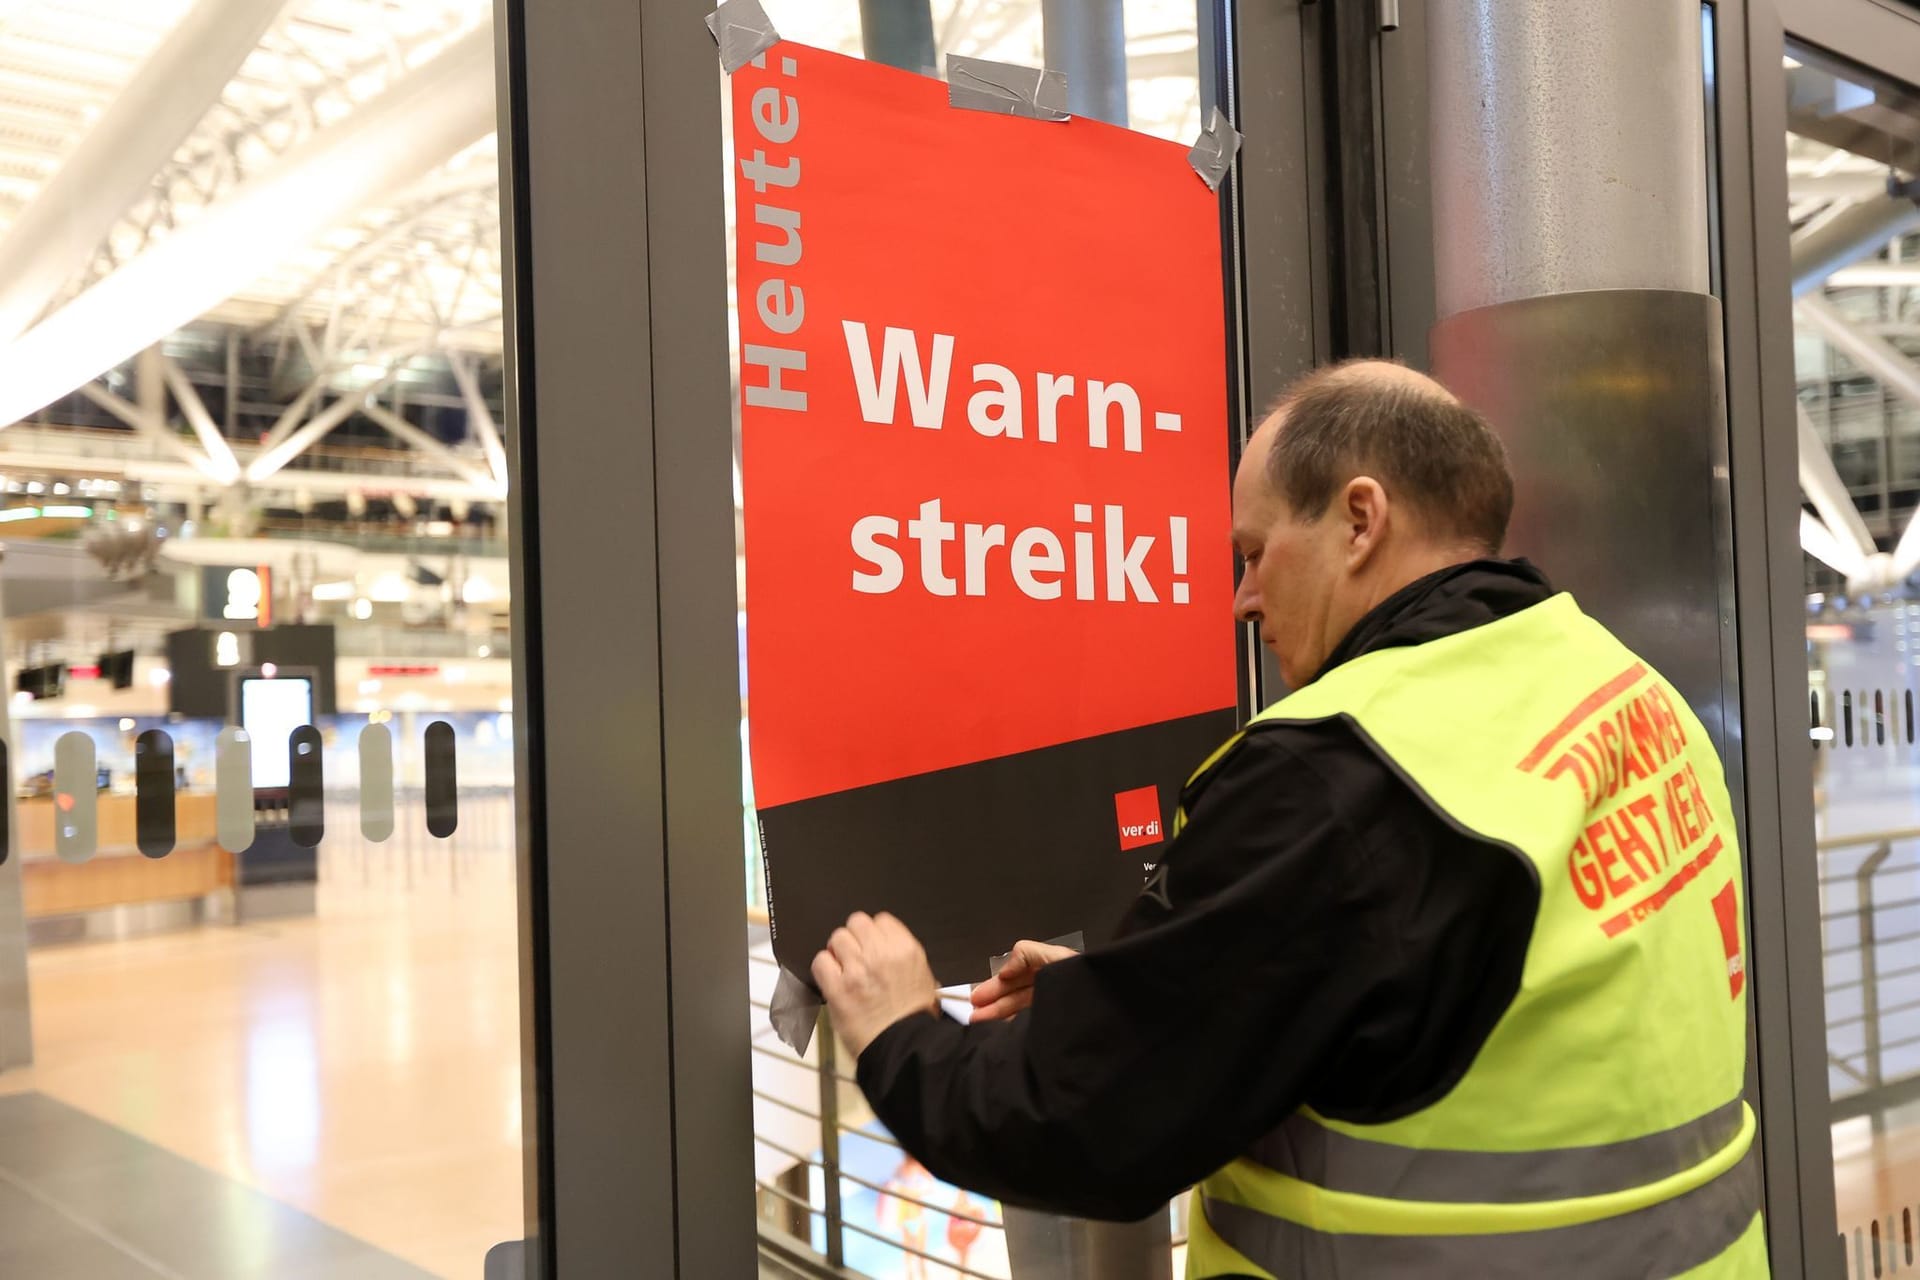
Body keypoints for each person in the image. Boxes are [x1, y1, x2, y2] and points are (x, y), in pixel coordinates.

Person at [810, 360, 1766, 1278]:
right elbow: (1475, 993)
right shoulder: (1625, 689)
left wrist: (898, 1032)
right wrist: (1172, 984)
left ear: (1360, 520)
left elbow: (1075, 1127)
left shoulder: (1337, 775)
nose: (1241, 599)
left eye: (1256, 553)